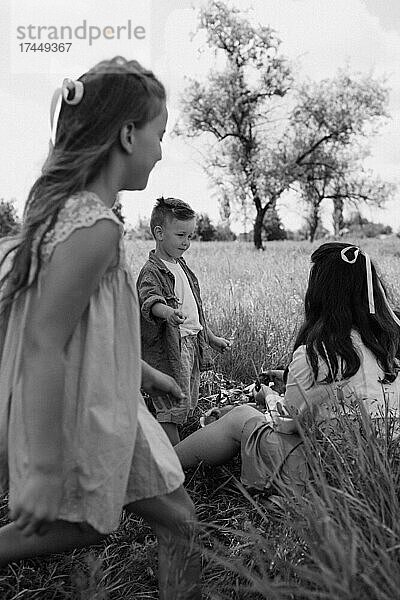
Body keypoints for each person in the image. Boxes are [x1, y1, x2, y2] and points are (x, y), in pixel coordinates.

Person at [0, 57, 201, 599]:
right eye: (160, 135)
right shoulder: (94, 226)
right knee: (175, 522)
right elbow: (44, 341)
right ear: (128, 134)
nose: (161, 150)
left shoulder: (79, 213)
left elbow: (86, 329)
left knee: (105, 522)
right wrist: (42, 469)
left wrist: (146, 374)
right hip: (81, 407)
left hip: (111, 399)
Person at [175, 242, 400, 499]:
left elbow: (288, 424)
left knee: (241, 417)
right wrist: (286, 378)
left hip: (330, 473)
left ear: (321, 293)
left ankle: (160, 465)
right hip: (386, 465)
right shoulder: (388, 345)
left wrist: (269, 396)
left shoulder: (315, 354)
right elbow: (355, 385)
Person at [137, 197, 232, 445]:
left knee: (188, 396)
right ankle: (173, 455)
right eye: (181, 235)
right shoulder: (152, 271)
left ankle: (167, 438)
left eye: (190, 236)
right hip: (171, 347)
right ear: (159, 233)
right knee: (173, 402)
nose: (186, 242)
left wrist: (210, 338)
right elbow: (149, 300)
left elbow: (195, 312)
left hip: (190, 342)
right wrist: (167, 312)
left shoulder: (182, 266)